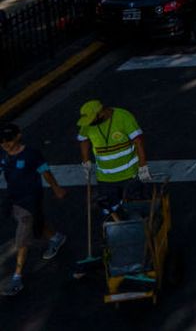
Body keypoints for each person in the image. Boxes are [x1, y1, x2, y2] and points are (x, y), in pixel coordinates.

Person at [1, 123, 67, 296]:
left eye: (8, 140)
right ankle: (56, 238)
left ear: (18, 136)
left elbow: (45, 172)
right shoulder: (4, 156)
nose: (5, 144)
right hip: (13, 199)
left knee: (22, 237)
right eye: (1, 141)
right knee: (35, 221)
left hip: (30, 199)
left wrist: (56, 188)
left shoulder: (32, 154)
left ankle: (17, 278)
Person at [77, 100, 151, 202]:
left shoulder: (123, 117)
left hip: (130, 174)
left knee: (133, 207)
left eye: (92, 120)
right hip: (105, 177)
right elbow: (83, 139)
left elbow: (138, 141)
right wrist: (86, 161)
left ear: (101, 113)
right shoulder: (88, 123)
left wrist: (143, 166)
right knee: (111, 210)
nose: (90, 124)